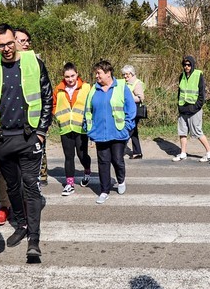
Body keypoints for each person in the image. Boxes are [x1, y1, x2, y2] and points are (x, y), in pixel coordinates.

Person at [0, 23, 53, 258]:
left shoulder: (33, 63)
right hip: (1, 138)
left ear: (16, 40)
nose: (6, 49)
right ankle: (20, 225)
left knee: (30, 186)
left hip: (28, 136)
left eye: (9, 43)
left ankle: (34, 237)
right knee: (12, 186)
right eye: (0, 45)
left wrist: (41, 131)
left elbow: (47, 97)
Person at [84, 60, 136, 204]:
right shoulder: (93, 90)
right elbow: (87, 111)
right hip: (100, 133)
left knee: (117, 160)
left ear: (108, 73)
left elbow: (131, 108)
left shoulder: (121, 86)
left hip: (118, 131)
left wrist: (127, 126)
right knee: (103, 162)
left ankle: (121, 180)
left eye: (99, 73)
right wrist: (89, 129)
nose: (96, 76)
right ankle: (104, 190)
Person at [16, 27, 49, 187]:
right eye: (23, 41)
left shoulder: (37, 64)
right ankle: (8, 206)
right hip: (9, 130)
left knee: (31, 177)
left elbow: (46, 97)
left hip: (33, 128)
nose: (27, 44)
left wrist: (42, 130)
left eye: (28, 41)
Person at [53, 62, 92, 195]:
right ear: (63, 77)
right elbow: (53, 104)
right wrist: (57, 116)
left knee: (82, 155)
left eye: (72, 76)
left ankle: (87, 170)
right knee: (68, 156)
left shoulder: (86, 87)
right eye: (67, 76)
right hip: (65, 128)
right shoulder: (58, 89)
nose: (70, 79)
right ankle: (69, 184)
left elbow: (92, 104)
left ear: (77, 74)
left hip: (81, 128)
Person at [172, 55, 210, 163]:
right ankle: (183, 153)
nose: (186, 67)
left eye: (188, 65)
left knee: (197, 132)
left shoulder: (198, 75)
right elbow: (179, 92)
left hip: (194, 109)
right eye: (185, 65)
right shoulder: (181, 76)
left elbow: (202, 94)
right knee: (182, 132)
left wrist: (196, 107)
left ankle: (209, 152)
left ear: (192, 65)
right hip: (183, 108)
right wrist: (179, 106)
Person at [121, 64, 145, 159]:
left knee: (128, 131)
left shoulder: (137, 83)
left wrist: (128, 98)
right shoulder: (124, 83)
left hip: (134, 110)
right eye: (124, 74)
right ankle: (137, 152)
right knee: (134, 132)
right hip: (127, 109)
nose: (125, 76)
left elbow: (140, 97)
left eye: (127, 74)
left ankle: (119, 149)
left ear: (132, 74)